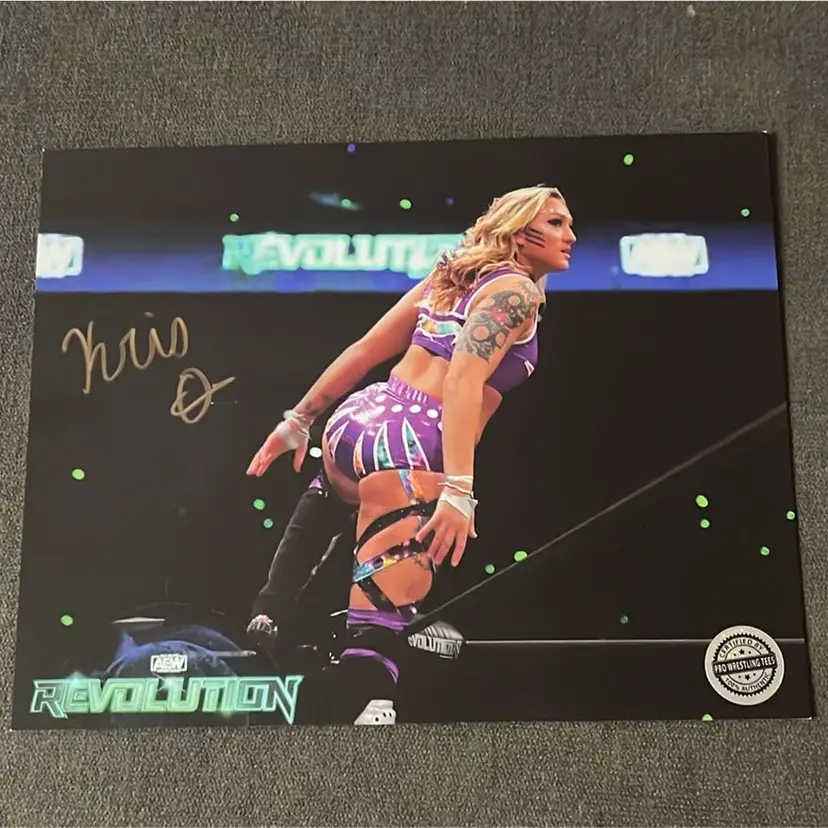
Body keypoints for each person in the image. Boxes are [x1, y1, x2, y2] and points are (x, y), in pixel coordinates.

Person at [246, 184, 576, 724]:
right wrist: (460, 489)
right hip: (414, 444)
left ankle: (272, 609)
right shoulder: (516, 293)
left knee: (337, 500)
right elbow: (463, 380)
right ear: (520, 232)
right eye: (557, 223)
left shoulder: (454, 273)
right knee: (382, 614)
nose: (571, 235)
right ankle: (366, 709)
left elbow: (365, 350)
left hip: (359, 418)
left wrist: (299, 419)